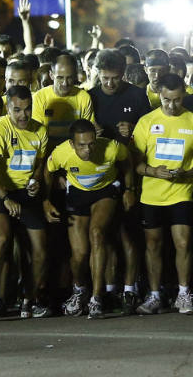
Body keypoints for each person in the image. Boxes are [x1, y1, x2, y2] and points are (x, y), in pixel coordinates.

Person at [130, 73, 193, 315]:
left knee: (183, 243)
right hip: (152, 195)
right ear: (159, 95)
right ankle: (155, 295)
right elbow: (135, 163)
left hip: (181, 193)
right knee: (153, 244)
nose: (171, 105)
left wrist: (185, 173)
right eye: (166, 100)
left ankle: (184, 293)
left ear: (184, 95)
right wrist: (153, 171)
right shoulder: (146, 122)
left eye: (177, 100)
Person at [44, 119, 136, 319]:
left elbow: (127, 160)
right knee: (80, 254)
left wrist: (129, 189)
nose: (88, 149)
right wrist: (46, 201)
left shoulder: (111, 148)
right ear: (72, 144)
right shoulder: (61, 153)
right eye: (82, 145)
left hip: (105, 191)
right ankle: (79, 290)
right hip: (78, 193)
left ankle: (96, 298)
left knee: (97, 233)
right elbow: (47, 171)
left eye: (92, 143)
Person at [0, 85, 50, 319]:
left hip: (26, 194)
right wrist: (6, 198)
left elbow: (40, 164)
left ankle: (30, 299)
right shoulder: (0, 127)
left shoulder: (40, 130)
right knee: (2, 237)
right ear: (8, 108)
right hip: (1, 191)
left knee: (40, 247)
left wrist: (36, 181)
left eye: (27, 109)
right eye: (17, 110)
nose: (22, 115)